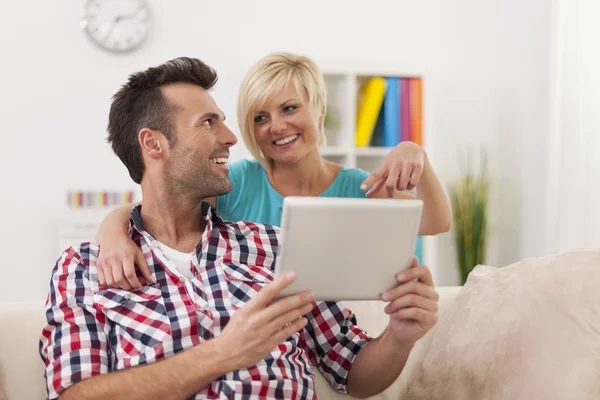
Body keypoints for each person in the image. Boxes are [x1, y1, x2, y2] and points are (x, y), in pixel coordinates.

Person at [39, 57, 439, 400]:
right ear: (154, 144)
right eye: (208, 122)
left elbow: (352, 371)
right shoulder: (85, 269)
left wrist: (399, 336)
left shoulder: (275, 246)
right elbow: (75, 393)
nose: (231, 138)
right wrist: (224, 353)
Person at [96, 52, 452, 291]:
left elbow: (436, 222)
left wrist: (416, 153)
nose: (277, 126)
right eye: (260, 117)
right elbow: (154, 207)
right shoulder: (233, 183)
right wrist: (113, 235)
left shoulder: (361, 187)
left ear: (319, 109)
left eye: (290, 108)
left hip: (336, 331)